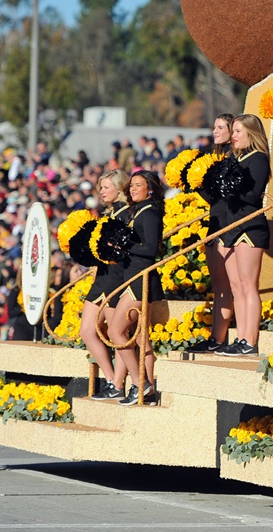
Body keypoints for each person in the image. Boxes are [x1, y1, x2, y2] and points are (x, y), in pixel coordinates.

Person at [215, 115, 271, 355]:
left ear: (251, 133)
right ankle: (241, 338)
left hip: (250, 226)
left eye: (238, 131)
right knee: (237, 286)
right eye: (234, 131)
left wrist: (230, 186)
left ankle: (249, 340)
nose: (234, 135)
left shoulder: (258, 158)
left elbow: (253, 194)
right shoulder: (236, 158)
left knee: (248, 285)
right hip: (233, 226)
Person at [108, 170, 165, 406]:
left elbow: (151, 249)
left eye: (138, 185)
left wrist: (125, 244)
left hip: (140, 279)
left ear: (149, 188)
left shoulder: (150, 212)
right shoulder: (139, 210)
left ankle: (139, 382)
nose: (132, 189)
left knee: (115, 331)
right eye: (131, 185)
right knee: (142, 338)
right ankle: (147, 390)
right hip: (133, 276)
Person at [188, 114, 237, 353]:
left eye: (221, 127)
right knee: (219, 287)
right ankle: (215, 338)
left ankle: (221, 338)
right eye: (214, 126)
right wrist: (195, 183)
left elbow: (227, 198)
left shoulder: (233, 159)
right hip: (215, 222)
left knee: (227, 287)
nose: (215, 131)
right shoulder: (217, 157)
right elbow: (214, 200)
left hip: (228, 224)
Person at [85, 169, 133, 400]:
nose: (101, 191)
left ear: (119, 188)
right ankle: (110, 378)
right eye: (101, 187)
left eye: (106, 187)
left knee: (117, 333)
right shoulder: (108, 215)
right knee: (86, 331)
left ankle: (117, 383)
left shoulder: (127, 215)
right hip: (102, 277)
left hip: (118, 278)